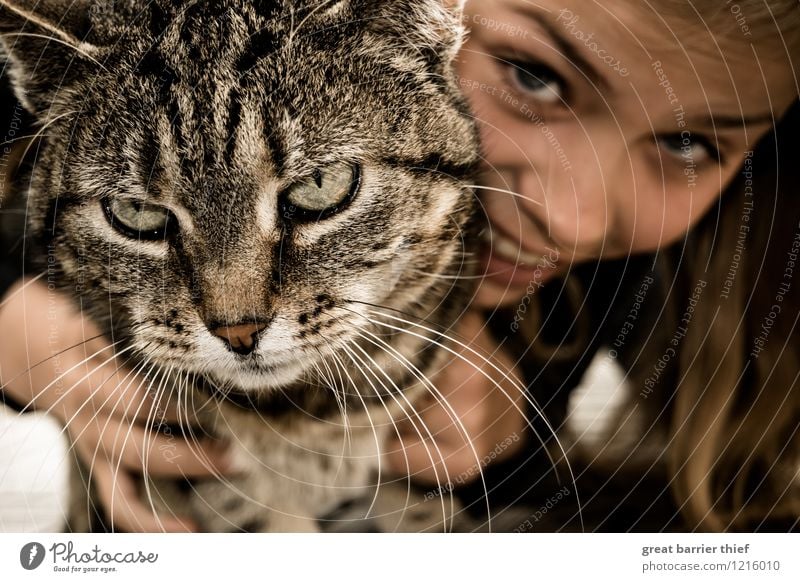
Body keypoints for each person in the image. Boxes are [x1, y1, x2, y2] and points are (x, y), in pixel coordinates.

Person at [2, 0, 798, 532]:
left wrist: (516, 429)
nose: (572, 214)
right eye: (531, 75)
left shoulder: (704, 260)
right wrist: (15, 323)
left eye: (691, 143)